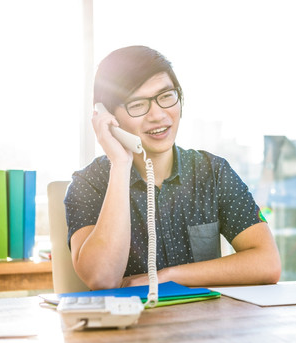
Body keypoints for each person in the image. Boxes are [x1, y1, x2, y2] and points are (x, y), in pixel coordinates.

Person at [64, 45, 281, 290]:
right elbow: (102, 278)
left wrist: (167, 277)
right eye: (137, 104)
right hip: (127, 325)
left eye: (166, 96)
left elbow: (268, 263)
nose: (158, 115)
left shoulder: (213, 172)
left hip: (203, 323)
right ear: (108, 116)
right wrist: (120, 164)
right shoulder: (88, 184)